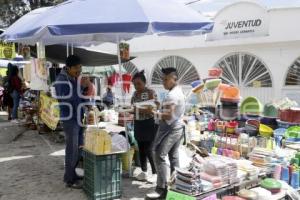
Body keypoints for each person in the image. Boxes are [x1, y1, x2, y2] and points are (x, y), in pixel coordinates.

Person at [146, 67, 185, 199]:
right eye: (162, 79)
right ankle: (177, 186)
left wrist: (153, 113)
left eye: (166, 79)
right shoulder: (176, 91)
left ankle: (161, 189)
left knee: (159, 155)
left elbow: (167, 116)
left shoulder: (172, 94)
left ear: (174, 79)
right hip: (176, 127)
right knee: (173, 158)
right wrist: (159, 105)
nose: (163, 82)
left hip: (171, 129)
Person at [54, 55, 84, 189]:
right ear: (69, 68)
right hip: (69, 118)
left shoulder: (73, 77)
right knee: (71, 149)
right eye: (77, 68)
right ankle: (69, 179)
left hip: (77, 117)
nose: (79, 70)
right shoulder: (61, 80)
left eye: (80, 67)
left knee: (78, 148)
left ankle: (73, 173)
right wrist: (80, 88)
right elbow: (64, 99)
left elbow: (78, 97)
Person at [131, 70, 158, 182]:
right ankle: (144, 172)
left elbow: (152, 110)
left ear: (144, 82)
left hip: (149, 123)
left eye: (139, 84)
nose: (136, 86)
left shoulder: (151, 92)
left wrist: (137, 109)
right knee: (141, 149)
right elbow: (132, 107)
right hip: (138, 123)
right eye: (134, 84)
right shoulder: (134, 94)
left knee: (149, 149)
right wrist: (130, 110)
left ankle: (156, 173)